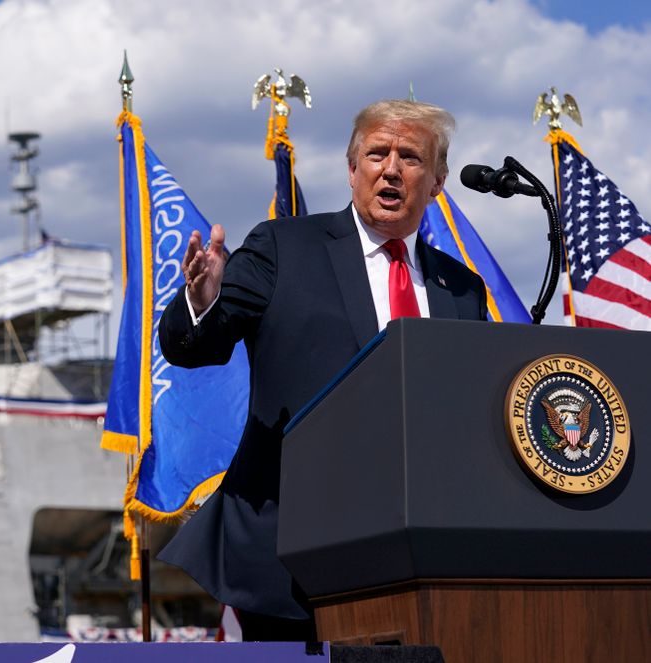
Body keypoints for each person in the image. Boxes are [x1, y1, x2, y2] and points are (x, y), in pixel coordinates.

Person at [156, 100, 487, 641]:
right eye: (377, 153)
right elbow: (196, 347)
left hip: (413, 558)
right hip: (289, 558)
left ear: (437, 181)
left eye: (410, 157)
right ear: (352, 169)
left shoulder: (462, 289)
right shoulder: (284, 248)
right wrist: (202, 301)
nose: (391, 169)